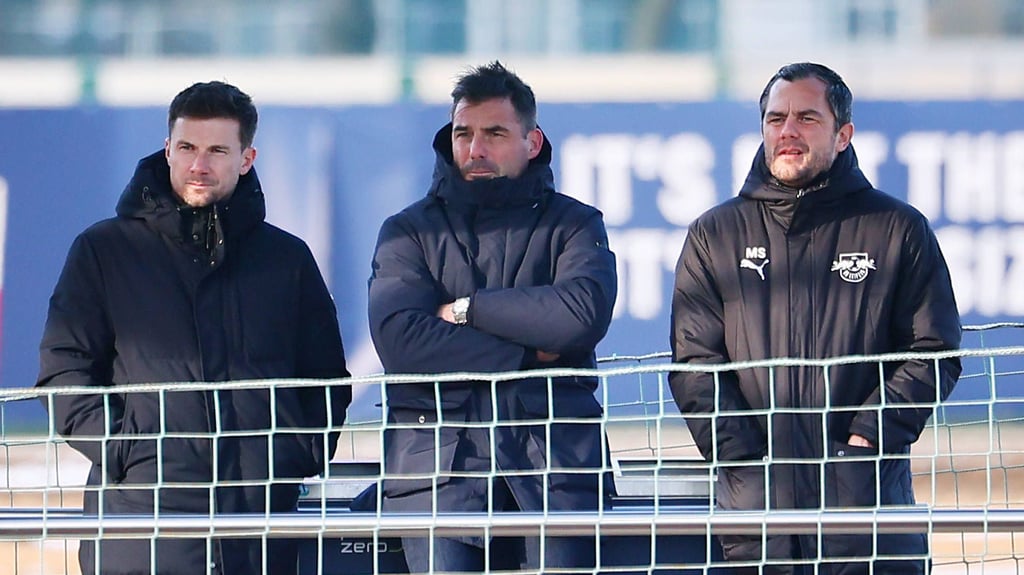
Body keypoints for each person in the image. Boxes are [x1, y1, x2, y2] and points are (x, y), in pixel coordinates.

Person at [36, 81, 351, 575]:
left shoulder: (287, 259)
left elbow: (325, 378)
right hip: (141, 526)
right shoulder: (103, 251)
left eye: (217, 151)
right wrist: (128, 452)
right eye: (186, 147)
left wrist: (296, 452)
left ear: (246, 158)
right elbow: (63, 374)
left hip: (259, 528)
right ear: (167, 149)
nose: (198, 165)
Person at [669, 62, 962, 574]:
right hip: (758, 516)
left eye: (807, 118)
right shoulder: (714, 235)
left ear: (843, 134)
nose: (788, 131)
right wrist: (744, 459)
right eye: (776, 119)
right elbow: (695, 364)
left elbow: (933, 351)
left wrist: (866, 439)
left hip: (867, 507)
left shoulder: (897, 229)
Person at [367, 61, 617, 573]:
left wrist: (467, 309)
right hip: (436, 477)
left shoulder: (575, 223)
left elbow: (578, 316)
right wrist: (527, 353)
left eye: (495, 134)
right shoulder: (408, 230)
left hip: (557, 473)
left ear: (532, 141)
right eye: (464, 134)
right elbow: (400, 340)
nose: (475, 149)